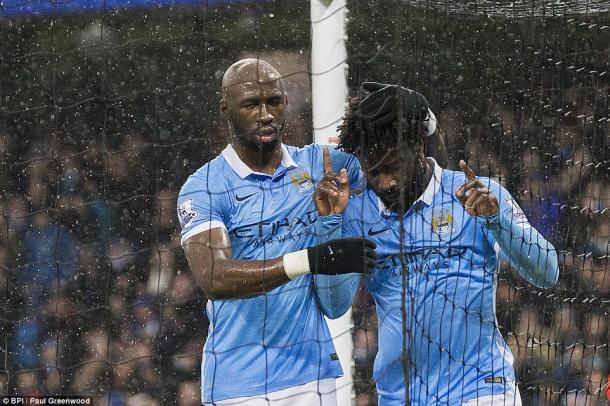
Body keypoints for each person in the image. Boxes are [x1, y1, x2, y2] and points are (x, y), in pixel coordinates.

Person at [315, 82, 559, 405]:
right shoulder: (357, 214)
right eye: (375, 172)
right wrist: (331, 225)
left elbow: (548, 271)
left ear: (418, 146)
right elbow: (334, 305)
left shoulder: (474, 193)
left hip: (480, 388)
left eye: (393, 167)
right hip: (399, 396)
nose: (386, 181)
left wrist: (495, 221)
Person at [176, 58, 379, 405]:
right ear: (226, 110)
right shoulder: (205, 186)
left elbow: (401, 175)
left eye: (274, 102)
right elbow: (215, 277)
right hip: (239, 382)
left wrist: (408, 119)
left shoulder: (320, 164)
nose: (266, 114)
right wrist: (311, 260)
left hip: (314, 375)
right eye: (251, 104)